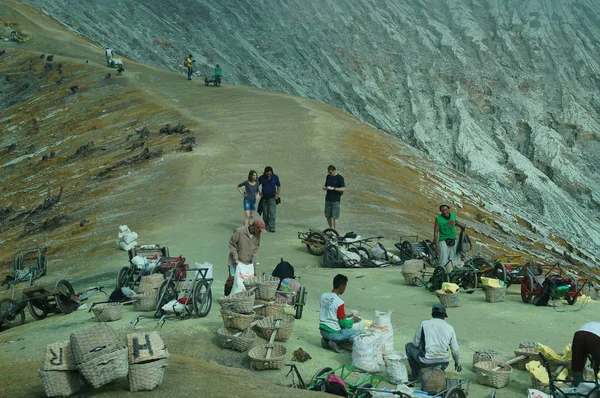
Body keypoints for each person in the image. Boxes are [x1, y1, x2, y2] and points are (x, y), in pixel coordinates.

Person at [405, 304, 462, 381]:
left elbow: (415, 343)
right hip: (443, 363)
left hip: (426, 362)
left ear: (432, 315)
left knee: (409, 346)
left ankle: (416, 376)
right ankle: (436, 372)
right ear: (444, 316)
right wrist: (457, 363)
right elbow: (455, 350)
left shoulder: (423, 324)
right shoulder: (450, 328)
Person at [319, 274, 361, 353]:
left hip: (323, 331)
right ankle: (337, 343)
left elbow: (331, 312)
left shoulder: (323, 296)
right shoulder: (339, 302)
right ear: (342, 287)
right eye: (345, 287)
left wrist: (348, 316)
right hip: (333, 333)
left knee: (344, 331)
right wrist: (353, 320)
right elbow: (343, 323)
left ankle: (326, 341)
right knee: (358, 334)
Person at [225, 220, 266, 296]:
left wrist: (255, 258)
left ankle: (242, 298)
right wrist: (235, 256)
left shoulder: (257, 235)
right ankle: (226, 297)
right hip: (235, 262)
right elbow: (232, 244)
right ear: (254, 227)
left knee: (249, 281)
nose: (260, 232)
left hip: (248, 262)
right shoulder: (239, 231)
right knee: (232, 280)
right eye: (259, 230)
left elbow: (256, 247)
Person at [433, 204, 466, 270]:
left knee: (455, 259)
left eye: (446, 210)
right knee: (443, 259)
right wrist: (437, 246)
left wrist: (462, 225)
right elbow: (436, 232)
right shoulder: (438, 219)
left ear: (448, 209)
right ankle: (441, 272)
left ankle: (453, 274)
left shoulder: (453, 215)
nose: (445, 212)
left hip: (453, 239)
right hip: (443, 240)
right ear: (441, 211)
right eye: (442, 211)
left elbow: (453, 222)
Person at [258, 166, 281, 233]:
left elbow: (279, 186)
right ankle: (265, 226)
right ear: (265, 173)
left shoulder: (275, 177)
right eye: (267, 173)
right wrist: (259, 192)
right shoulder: (261, 178)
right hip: (264, 198)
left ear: (272, 172)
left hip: (272, 198)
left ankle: (272, 227)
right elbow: (256, 185)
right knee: (265, 213)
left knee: (272, 213)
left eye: (270, 173)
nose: (268, 174)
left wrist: (278, 194)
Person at [323, 165, 345, 231]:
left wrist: (333, 188)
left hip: (336, 200)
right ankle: (331, 229)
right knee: (328, 215)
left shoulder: (340, 178)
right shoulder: (328, 177)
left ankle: (335, 231)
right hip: (328, 199)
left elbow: (343, 189)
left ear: (334, 170)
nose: (330, 173)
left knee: (335, 216)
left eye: (331, 172)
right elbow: (326, 185)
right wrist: (324, 187)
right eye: (329, 172)